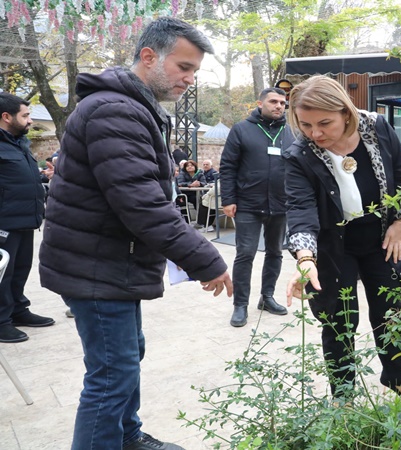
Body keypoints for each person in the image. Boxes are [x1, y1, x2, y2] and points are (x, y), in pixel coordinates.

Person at [38, 17, 233, 450]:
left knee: (126, 358)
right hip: (96, 264)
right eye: (184, 67)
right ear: (149, 57)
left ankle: (126, 437)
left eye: (194, 71)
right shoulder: (116, 110)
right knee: (111, 374)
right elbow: (142, 204)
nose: (189, 79)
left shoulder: (132, 107)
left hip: (110, 262)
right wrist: (205, 257)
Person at [284, 75, 401, 398]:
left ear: (345, 112)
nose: (316, 133)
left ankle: (398, 382)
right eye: (306, 124)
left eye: (324, 123)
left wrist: (400, 222)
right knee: (338, 321)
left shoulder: (378, 128)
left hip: (383, 238)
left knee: (389, 313)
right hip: (333, 246)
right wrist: (305, 259)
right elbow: (300, 209)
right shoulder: (300, 153)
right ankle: (343, 397)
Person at [220, 87, 292, 326]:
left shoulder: (290, 133)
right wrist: (228, 200)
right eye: (273, 101)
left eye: (282, 103)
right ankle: (240, 305)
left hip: (281, 205)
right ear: (260, 104)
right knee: (245, 254)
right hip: (248, 204)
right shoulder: (241, 130)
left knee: (275, 253)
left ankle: (267, 297)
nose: (279, 106)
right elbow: (228, 166)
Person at [0, 93, 54, 343]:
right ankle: (1, 321)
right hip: (4, 223)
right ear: (6, 117)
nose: (30, 121)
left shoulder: (17, 143)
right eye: (25, 115)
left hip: (25, 220)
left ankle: (19, 311)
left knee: (20, 270)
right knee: (3, 273)